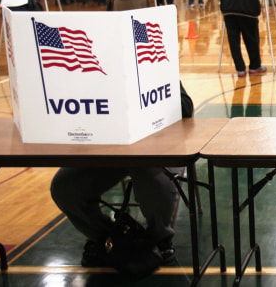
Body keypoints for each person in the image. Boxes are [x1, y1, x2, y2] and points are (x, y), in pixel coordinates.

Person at [51, 83, 194, 276]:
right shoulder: (87, 77)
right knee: (64, 187)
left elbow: (186, 107)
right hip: (110, 151)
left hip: (156, 148)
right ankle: (104, 237)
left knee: (154, 180)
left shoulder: (151, 65)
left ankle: (160, 239)